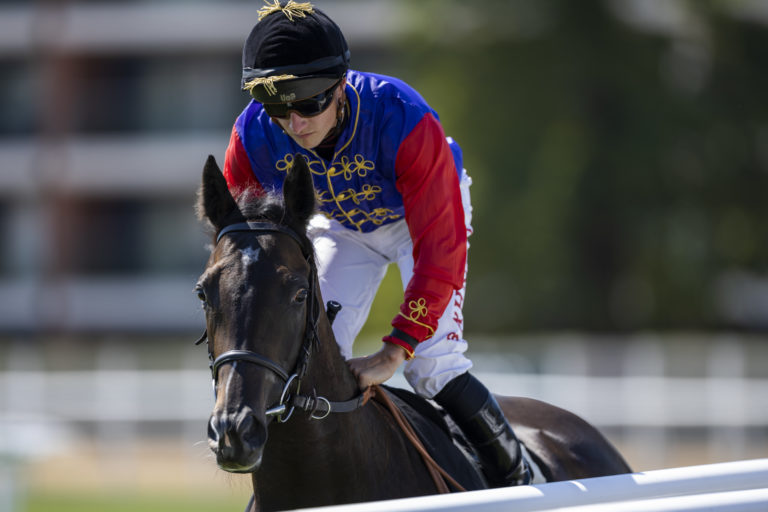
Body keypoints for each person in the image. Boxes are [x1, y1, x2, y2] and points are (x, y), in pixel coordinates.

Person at [221, 0, 530, 487]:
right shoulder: (251, 138)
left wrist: (396, 348)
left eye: (309, 103)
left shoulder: (403, 119)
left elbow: (439, 251)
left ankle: (520, 479)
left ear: (341, 85)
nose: (295, 124)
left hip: (420, 223)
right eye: (278, 107)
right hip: (341, 227)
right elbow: (242, 251)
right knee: (307, 359)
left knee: (432, 367)